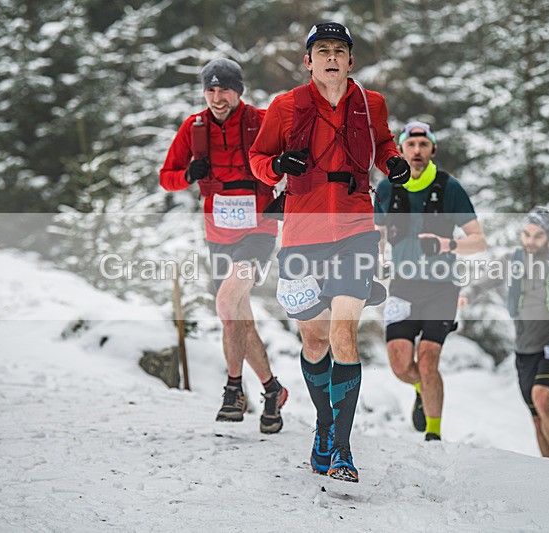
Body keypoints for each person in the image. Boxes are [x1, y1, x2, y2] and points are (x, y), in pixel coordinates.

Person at [249, 22, 411, 482]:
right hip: (303, 232)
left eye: (340, 50)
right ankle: (324, 424)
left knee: (343, 334)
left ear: (351, 60)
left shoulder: (370, 103)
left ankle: (342, 449)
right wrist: (278, 164)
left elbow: (382, 144)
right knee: (315, 340)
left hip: (357, 228)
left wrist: (392, 162)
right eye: (323, 50)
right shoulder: (285, 106)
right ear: (308, 61)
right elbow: (258, 161)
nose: (332, 57)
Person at [159, 58, 288, 434]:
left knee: (227, 301)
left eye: (225, 90)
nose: (217, 98)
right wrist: (187, 174)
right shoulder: (194, 128)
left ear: (238, 91)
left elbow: (299, 161)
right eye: (210, 90)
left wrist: (287, 196)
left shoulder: (261, 121)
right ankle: (272, 390)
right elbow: (167, 177)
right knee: (235, 317)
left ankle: (233, 390)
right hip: (217, 234)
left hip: (258, 230)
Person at [374, 121, 486, 441]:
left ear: (433, 150)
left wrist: (446, 245)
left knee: (427, 360)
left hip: (442, 288)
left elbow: (479, 241)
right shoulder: (387, 188)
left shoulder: (449, 187)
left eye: (423, 145)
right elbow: (377, 234)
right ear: (401, 150)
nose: (417, 150)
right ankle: (422, 389)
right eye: (411, 145)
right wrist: (374, 262)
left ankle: (433, 435)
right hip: (402, 286)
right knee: (400, 365)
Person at [460, 207, 549, 459]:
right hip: (525, 347)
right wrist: (466, 295)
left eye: (538, 235)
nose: (530, 241)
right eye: (526, 234)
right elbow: (481, 284)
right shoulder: (510, 260)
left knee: (542, 397)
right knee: (536, 416)